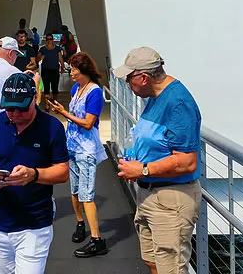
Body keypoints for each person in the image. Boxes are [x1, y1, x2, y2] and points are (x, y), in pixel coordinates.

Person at [113, 47, 202, 274]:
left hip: (171, 199)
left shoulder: (178, 104)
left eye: (127, 78)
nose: (126, 84)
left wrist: (142, 169)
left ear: (143, 77)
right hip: (150, 194)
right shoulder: (155, 97)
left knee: (170, 268)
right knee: (153, 261)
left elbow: (187, 161)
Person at [0, 72, 70, 273]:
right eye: (9, 109)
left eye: (21, 108)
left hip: (34, 226)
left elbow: (62, 172)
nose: (15, 114)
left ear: (35, 98)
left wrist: (33, 175)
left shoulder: (52, 127)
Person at [44, 51, 108, 257]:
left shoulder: (94, 92)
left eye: (74, 68)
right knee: (74, 191)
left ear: (84, 70)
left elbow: (89, 123)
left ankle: (97, 239)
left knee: (86, 194)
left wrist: (64, 113)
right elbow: (74, 116)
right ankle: (81, 223)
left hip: (86, 149)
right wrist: (63, 111)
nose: (71, 72)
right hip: (71, 146)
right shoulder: (76, 89)